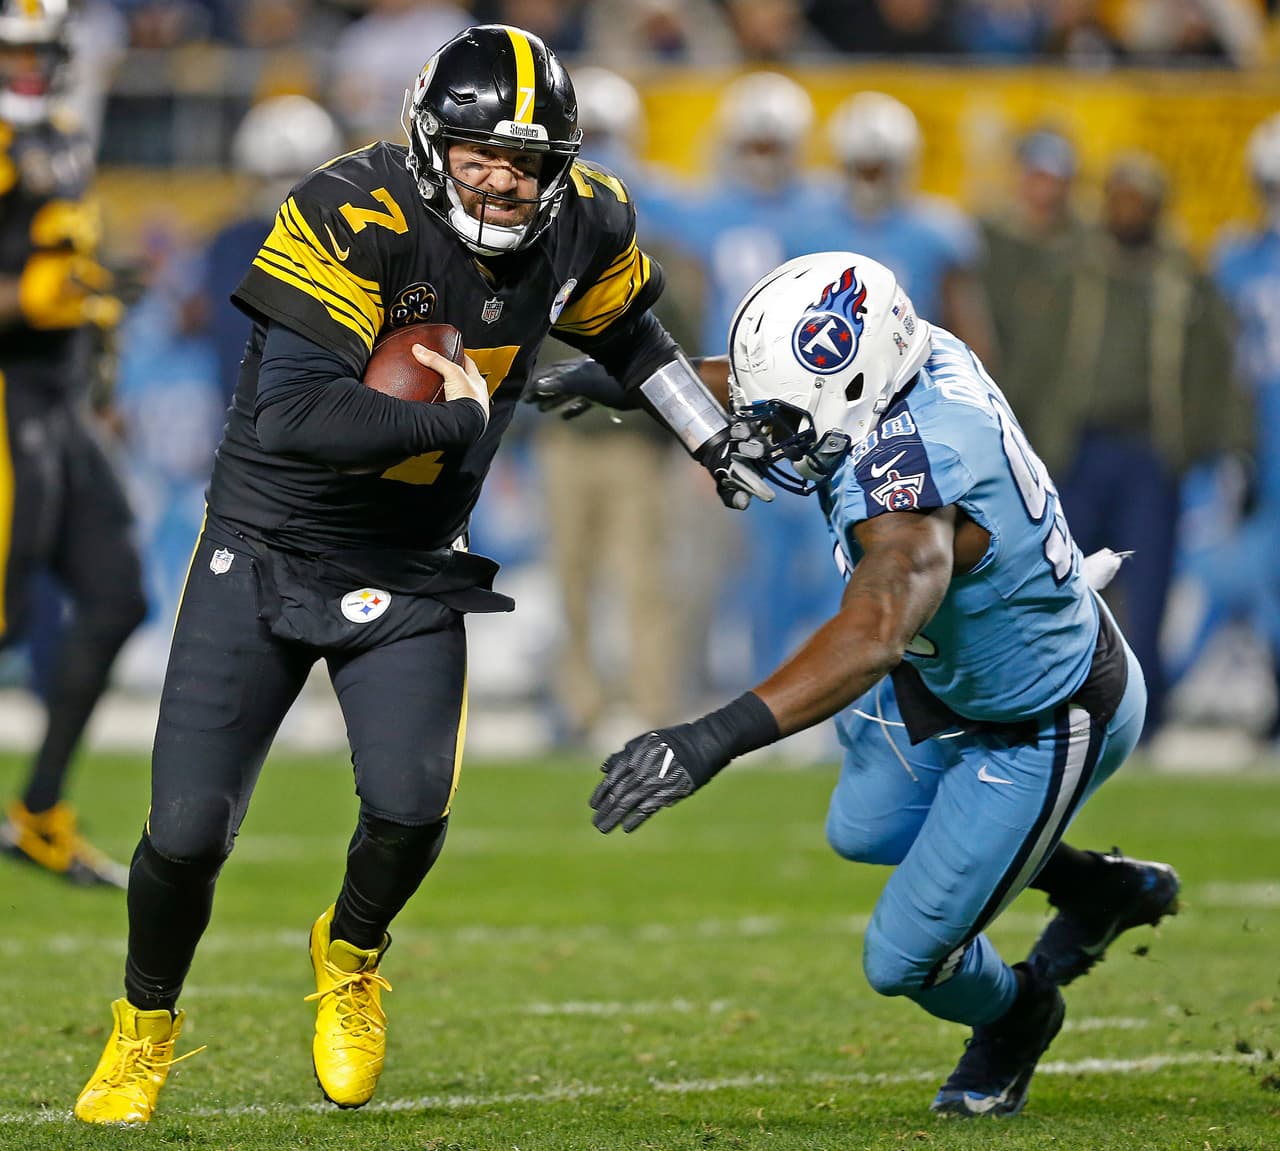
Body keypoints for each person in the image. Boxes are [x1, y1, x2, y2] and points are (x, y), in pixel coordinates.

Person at [73, 23, 772, 1126]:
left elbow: (630, 331)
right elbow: (296, 412)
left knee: (409, 805)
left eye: (525, 161)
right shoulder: (349, 211)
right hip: (264, 545)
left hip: (407, 560)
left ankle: (348, 954)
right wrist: (459, 412)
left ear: (557, 165)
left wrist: (703, 433)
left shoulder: (584, 217)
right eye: (478, 153)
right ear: (426, 140)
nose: (501, 178)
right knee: (188, 829)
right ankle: (143, 1026)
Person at [584, 251, 1181, 1118]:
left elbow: (871, 635)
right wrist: (637, 381)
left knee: (902, 959)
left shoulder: (917, 477)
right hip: (949, 670)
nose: (769, 433)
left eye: (788, 418)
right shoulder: (907, 349)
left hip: (1041, 714)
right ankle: (1096, 886)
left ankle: (1020, 1014)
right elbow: (779, 380)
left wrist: (706, 740)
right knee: (863, 829)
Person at [0, 0, 145, 888]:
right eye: (12, 50)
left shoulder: (61, 137)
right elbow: (36, 286)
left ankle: (40, 811)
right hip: (4, 392)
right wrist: (37, 297)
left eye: (39, 50)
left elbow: (71, 275)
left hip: (58, 400)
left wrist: (94, 324)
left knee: (114, 594)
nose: (26, 65)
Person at [825, 91, 996, 367]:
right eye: (864, 170)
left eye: (879, 170)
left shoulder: (940, 231)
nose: (871, 182)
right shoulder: (810, 229)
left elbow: (971, 335)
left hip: (916, 381)